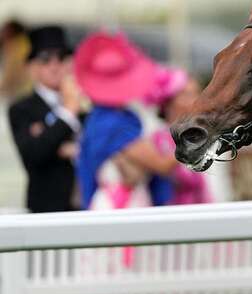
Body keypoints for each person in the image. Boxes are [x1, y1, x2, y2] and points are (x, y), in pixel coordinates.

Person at [73, 32, 178, 211]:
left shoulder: (104, 118)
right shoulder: (113, 124)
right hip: (122, 205)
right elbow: (162, 164)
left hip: (120, 202)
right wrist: (195, 140)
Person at [8, 25, 82, 213]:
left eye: (62, 57)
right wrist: (67, 114)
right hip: (47, 210)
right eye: (45, 59)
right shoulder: (21, 109)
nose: (55, 65)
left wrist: (77, 149)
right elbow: (33, 154)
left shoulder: (86, 102)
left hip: (87, 208)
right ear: (32, 67)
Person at [145, 66, 212, 205]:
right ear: (169, 101)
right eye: (186, 95)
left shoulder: (203, 134)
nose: (195, 100)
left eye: (196, 93)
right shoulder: (157, 139)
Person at [0, 19, 32, 100]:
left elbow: (12, 74)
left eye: (4, 30)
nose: (2, 33)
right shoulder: (25, 43)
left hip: (22, 92)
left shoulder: (17, 47)